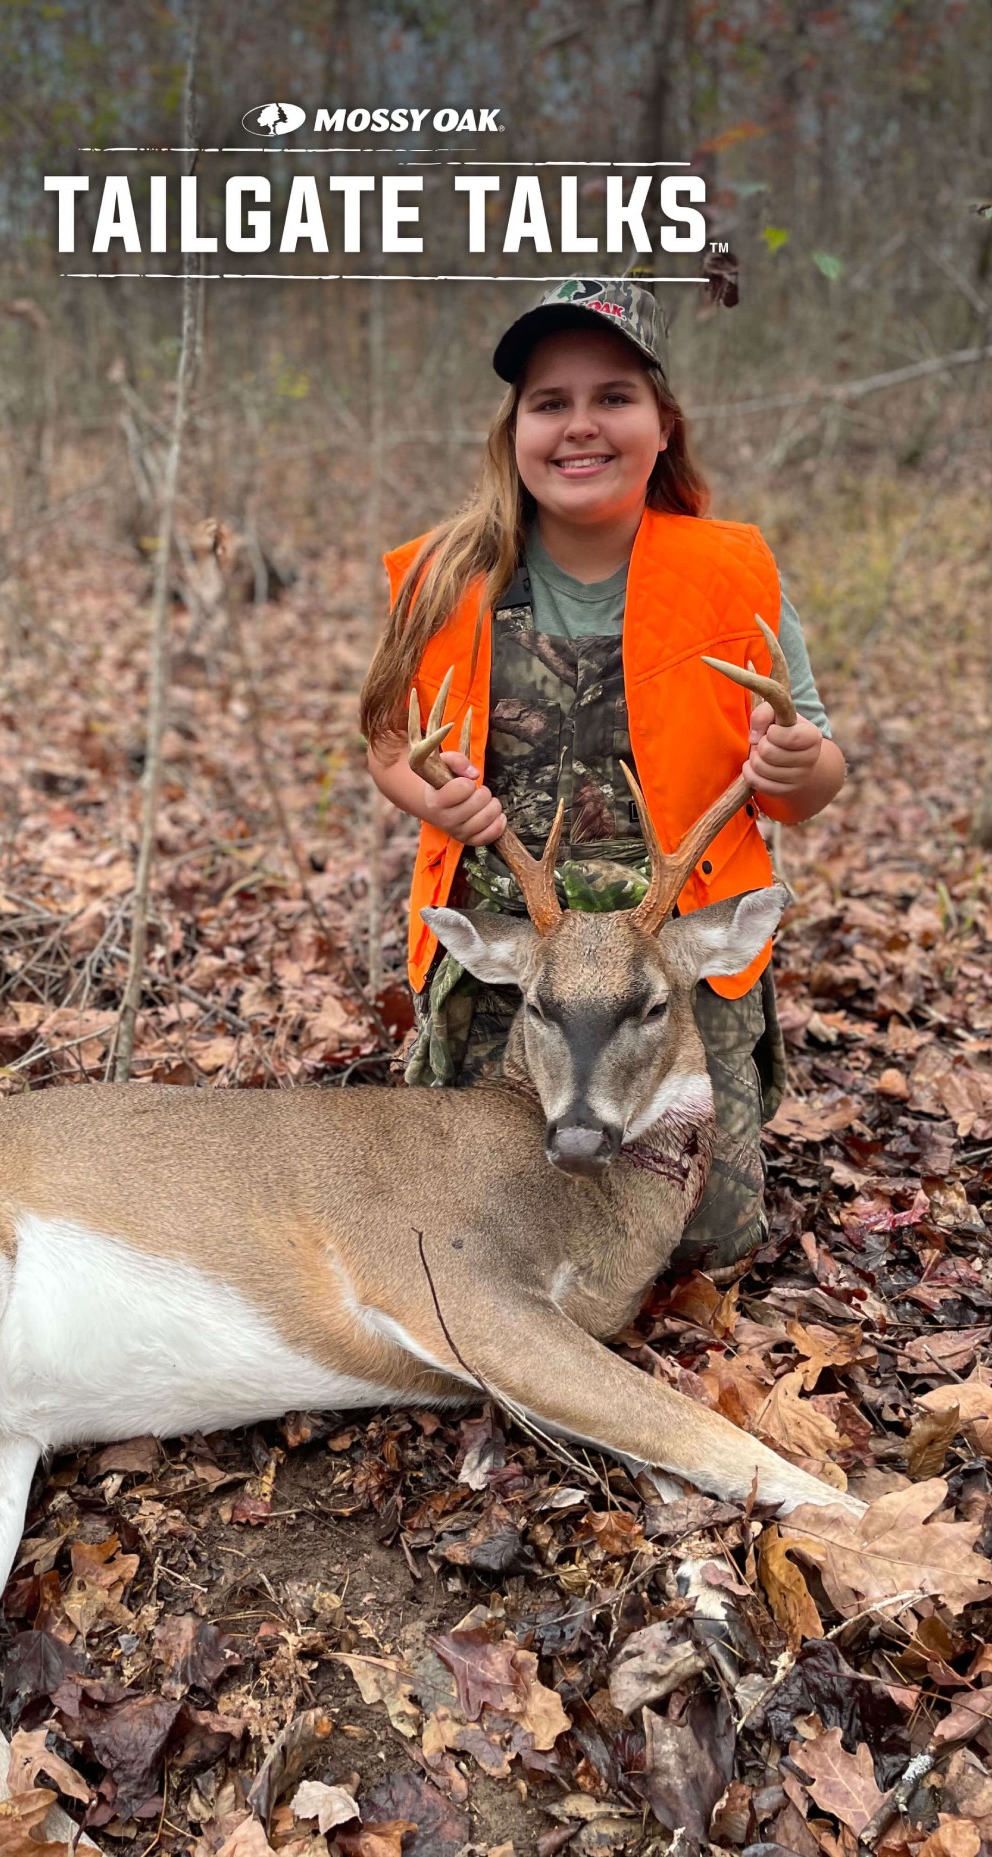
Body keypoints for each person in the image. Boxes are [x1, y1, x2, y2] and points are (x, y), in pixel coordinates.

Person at [359, 278, 846, 1275]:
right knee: (462, 1235)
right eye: (549, 403)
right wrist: (427, 793)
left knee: (702, 1250)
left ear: (662, 425)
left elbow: (808, 777)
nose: (580, 426)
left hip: (670, 970)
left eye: (611, 397)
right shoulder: (446, 578)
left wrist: (796, 765)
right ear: (512, 432)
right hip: (516, 966)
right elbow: (383, 743)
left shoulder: (731, 579)